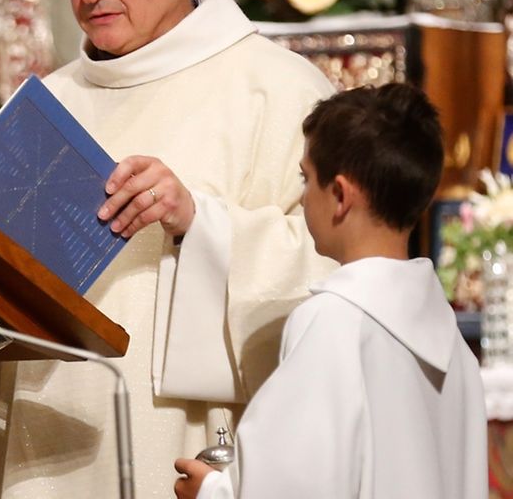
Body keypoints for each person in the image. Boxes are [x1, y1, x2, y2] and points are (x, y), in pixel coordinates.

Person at [0, 0, 337, 497]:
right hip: (36, 455)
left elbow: (333, 281)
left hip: (178, 460)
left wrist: (198, 224)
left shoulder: (282, 93)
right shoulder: (47, 107)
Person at [173, 84, 486, 498]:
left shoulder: (335, 322)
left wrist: (211, 490)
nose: (303, 198)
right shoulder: (454, 344)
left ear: (339, 195)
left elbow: (294, 486)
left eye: (307, 178)